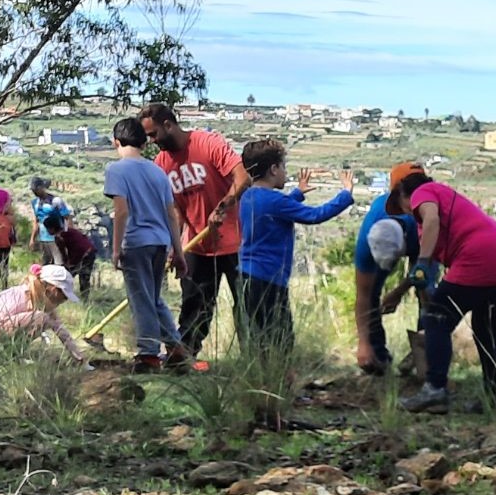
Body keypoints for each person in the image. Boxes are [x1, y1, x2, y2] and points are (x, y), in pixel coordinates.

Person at [383, 163, 496, 413]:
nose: (405, 211)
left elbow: (431, 223)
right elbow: (421, 271)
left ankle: (435, 389)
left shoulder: (425, 193)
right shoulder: (436, 209)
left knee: (436, 319)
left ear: (402, 191)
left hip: (478, 256)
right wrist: (398, 293)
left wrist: (423, 262)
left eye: (399, 204)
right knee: (486, 330)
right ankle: (494, 398)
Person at [140, 102, 249, 367]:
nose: (152, 141)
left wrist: (223, 206)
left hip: (237, 243)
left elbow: (242, 178)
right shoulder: (162, 164)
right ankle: (183, 360)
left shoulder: (208, 143)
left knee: (246, 306)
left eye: (154, 134)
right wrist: (174, 248)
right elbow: (175, 212)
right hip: (198, 246)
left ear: (168, 124)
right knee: (194, 306)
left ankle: (253, 360)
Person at [236, 141, 356, 351]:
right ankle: (283, 380)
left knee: (261, 336)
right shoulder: (275, 201)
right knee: (282, 339)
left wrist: (298, 193)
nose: (285, 172)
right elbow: (315, 215)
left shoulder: (248, 196)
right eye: (283, 167)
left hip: (247, 276)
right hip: (269, 279)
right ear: (273, 169)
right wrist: (346, 194)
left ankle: (263, 378)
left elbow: (273, 209)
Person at [105, 117, 190, 373]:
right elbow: (171, 214)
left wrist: (116, 248)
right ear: (143, 142)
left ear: (116, 142)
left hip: (136, 242)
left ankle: (148, 356)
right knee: (153, 298)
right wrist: (179, 251)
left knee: (140, 299)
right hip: (160, 242)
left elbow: (121, 212)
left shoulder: (116, 169)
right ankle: (176, 349)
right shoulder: (157, 171)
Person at [0, 262, 88, 363]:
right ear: (53, 290)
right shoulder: (25, 297)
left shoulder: (36, 297)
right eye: (64, 296)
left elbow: (59, 327)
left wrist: (76, 354)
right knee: (41, 319)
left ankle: (10, 354)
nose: (64, 300)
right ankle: (8, 355)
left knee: (43, 318)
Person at [353, 201, 419, 374]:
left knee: (426, 289)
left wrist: (399, 292)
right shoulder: (366, 245)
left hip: (420, 239)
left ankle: (425, 357)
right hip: (386, 239)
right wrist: (363, 343)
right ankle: (376, 357)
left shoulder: (420, 224)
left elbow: (420, 270)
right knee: (372, 291)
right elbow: (362, 296)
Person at [43, 212, 96, 301]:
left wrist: (70, 264)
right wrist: (66, 264)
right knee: (82, 277)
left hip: (85, 254)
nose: (47, 231)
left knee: (79, 276)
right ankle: (82, 298)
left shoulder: (60, 237)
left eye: (47, 229)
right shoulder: (67, 232)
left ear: (52, 228)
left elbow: (75, 251)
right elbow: (64, 254)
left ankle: (65, 295)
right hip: (89, 252)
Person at [29, 177, 74, 265]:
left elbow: (67, 218)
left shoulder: (56, 201)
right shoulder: (35, 203)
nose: (34, 192)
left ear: (42, 187)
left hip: (56, 238)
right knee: (45, 265)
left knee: (59, 264)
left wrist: (69, 236)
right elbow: (36, 221)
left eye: (36, 189)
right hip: (43, 238)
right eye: (33, 190)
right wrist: (32, 239)